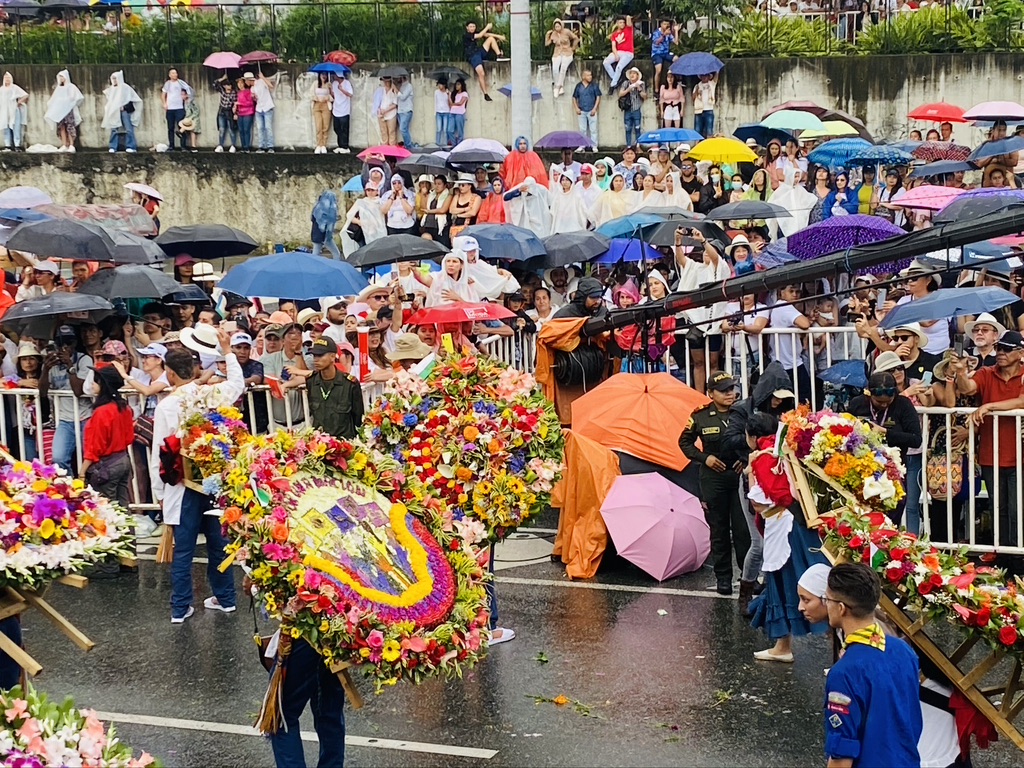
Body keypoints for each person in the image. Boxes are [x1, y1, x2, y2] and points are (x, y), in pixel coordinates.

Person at [151, 327, 242, 623]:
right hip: (212, 483)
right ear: (192, 370)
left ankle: (180, 608)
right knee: (218, 544)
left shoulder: (166, 405)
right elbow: (237, 384)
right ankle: (226, 599)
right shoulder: (210, 394)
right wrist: (228, 351)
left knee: (184, 550)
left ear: (170, 373)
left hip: (181, 485)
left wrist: (160, 494)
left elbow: (159, 454)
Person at [823, 563, 923, 768]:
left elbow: (842, 756)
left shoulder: (844, 672)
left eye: (827, 599)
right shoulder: (903, 651)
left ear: (841, 608)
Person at [679, 371, 750, 595]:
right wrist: (704, 458)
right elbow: (684, 443)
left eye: (732, 389)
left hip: (738, 475)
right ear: (710, 394)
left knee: (743, 530)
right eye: (724, 391)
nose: (730, 394)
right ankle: (723, 578)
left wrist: (745, 459)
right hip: (713, 477)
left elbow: (756, 439)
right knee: (719, 529)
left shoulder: (743, 413)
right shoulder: (700, 416)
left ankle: (747, 577)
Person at [955, 329, 1024, 547]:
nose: (1000, 352)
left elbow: (1022, 401)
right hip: (990, 454)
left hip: (1019, 455)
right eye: (999, 348)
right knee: (998, 509)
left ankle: (1019, 557)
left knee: (1017, 510)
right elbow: (968, 388)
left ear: (1020, 352)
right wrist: (959, 372)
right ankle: (1004, 556)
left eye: (1006, 349)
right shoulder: (987, 372)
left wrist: (989, 406)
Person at [845, 371, 922, 524]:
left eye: (888, 401)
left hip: (893, 474)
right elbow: (845, 431)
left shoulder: (903, 405)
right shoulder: (857, 404)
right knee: (861, 521)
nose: (884, 405)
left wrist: (885, 432)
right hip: (862, 471)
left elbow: (915, 439)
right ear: (869, 394)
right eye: (879, 402)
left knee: (890, 522)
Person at [39, 325, 94, 474]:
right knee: (58, 458)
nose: (64, 347)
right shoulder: (53, 363)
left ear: (75, 343)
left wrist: (70, 365)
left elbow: (79, 391)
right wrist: (45, 369)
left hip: (85, 416)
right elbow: (42, 392)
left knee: (90, 458)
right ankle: (70, 490)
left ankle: (91, 491)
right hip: (64, 420)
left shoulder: (84, 359)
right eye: (60, 343)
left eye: (68, 342)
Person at [80, 365, 134, 509]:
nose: (92, 384)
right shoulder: (125, 407)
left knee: (107, 509)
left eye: (96, 381)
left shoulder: (101, 412)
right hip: (123, 460)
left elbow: (94, 447)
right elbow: (129, 437)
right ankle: (128, 532)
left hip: (108, 465)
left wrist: (82, 472)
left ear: (103, 385)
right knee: (123, 506)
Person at [290, 337, 364, 439]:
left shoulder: (350, 383)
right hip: (319, 445)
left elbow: (358, 419)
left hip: (344, 444)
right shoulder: (311, 381)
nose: (316, 359)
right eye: (314, 355)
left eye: (320, 355)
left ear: (333, 356)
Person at [341, 182, 386, 256]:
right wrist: (360, 222)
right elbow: (350, 215)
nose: (370, 192)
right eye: (368, 190)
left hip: (379, 231)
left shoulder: (382, 202)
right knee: (365, 254)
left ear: (377, 190)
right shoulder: (361, 202)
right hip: (364, 233)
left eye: (372, 190)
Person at [101, 70, 141, 154]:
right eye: (113, 79)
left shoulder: (125, 88)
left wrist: (124, 106)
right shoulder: (111, 89)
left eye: (116, 78)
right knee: (114, 128)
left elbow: (133, 98)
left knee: (128, 129)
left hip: (124, 111)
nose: (114, 80)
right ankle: (113, 146)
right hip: (114, 111)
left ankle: (131, 146)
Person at [45, 69, 84, 152]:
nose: (61, 79)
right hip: (60, 111)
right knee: (62, 127)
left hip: (68, 110)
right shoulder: (58, 88)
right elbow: (53, 99)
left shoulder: (71, 87)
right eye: (60, 77)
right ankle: (64, 144)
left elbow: (76, 97)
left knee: (70, 126)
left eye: (62, 77)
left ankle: (71, 144)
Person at [464, 21, 503, 101]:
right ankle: (485, 93)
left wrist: (499, 36)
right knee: (481, 73)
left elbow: (486, 35)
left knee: (491, 39)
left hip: (478, 52)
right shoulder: (467, 35)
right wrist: (487, 27)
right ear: (467, 28)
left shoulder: (475, 33)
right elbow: (480, 35)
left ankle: (499, 55)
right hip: (473, 56)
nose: (472, 28)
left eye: (473, 26)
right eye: (470, 26)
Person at [548, 169, 590, 233]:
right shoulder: (558, 196)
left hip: (573, 226)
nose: (564, 182)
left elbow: (582, 212)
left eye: (567, 180)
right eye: (563, 180)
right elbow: (553, 212)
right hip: (559, 225)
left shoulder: (577, 196)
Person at [546, 19, 579, 97]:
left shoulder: (566, 32)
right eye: (556, 26)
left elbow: (576, 38)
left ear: (561, 26)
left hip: (567, 52)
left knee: (563, 67)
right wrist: (547, 35)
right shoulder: (553, 34)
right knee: (555, 68)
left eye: (558, 26)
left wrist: (573, 48)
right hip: (557, 53)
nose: (557, 28)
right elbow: (547, 44)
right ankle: (560, 86)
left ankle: (557, 86)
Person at [603, 15, 634, 93]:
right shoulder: (614, 34)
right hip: (619, 52)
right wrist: (616, 54)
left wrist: (624, 16)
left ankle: (613, 85)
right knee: (605, 62)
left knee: (619, 67)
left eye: (623, 22)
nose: (622, 24)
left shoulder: (628, 29)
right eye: (620, 22)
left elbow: (629, 18)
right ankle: (616, 78)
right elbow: (613, 46)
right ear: (617, 23)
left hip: (628, 53)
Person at [161, 68, 190, 151]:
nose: (175, 75)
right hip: (170, 108)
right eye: (173, 73)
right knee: (170, 127)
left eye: (176, 73)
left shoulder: (181, 83)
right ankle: (171, 146)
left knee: (182, 126)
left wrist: (186, 97)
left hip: (179, 108)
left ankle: (183, 146)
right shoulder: (167, 84)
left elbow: (189, 92)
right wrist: (164, 103)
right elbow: (163, 94)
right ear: (169, 75)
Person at [0, 72, 28, 151]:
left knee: (16, 126)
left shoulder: (14, 87)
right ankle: (7, 145)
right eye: (5, 78)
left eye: (8, 78)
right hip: (4, 110)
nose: (7, 79)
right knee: (6, 127)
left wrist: (19, 102)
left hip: (14, 109)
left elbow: (25, 95)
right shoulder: (2, 89)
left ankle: (17, 144)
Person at [619, 67, 646, 147]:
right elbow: (620, 94)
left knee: (637, 128)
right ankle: (628, 146)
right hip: (627, 109)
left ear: (637, 75)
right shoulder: (626, 83)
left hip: (636, 109)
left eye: (634, 73)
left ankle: (638, 146)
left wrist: (639, 88)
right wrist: (628, 89)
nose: (632, 75)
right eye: (631, 73)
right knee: (628, 129)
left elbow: (644, 96)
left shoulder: (641, 83)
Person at [311, 190, 340, 260]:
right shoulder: (331, 210)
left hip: (316, 235)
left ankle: (311, 268)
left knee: (315, 254)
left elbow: (312, 219)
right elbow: (329, 224)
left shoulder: (317, 208)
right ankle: (337, 267)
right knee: (336, 253)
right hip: (325, 236)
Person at [250, 71, 276, 152]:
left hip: (267, 107)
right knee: (260, 128)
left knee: (268, 127)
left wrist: (263, 77)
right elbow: (255, 100)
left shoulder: (261, 82)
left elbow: (271, 86)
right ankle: (261, 146)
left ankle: (270, 146)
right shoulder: (252, 88)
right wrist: (254, 98)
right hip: (259, 109)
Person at [214, 74, 238, 153]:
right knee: (222, 129)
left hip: (229, 112)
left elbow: (234, 103)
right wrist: (222, 78)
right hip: (222, 112)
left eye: (230, 85)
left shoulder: (234, 93)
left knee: (231, 129)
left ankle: (233, 145)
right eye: (227, 85)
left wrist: (235, 113)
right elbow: (215, 84)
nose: (229, 86)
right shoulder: (222, 91)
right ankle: (220, 145)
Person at [651, 19, 676, 92]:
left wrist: (676, 31)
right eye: (665, 24)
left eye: (667, 24)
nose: (666, 26)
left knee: (677, 59)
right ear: (661, 24)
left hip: (666, 53)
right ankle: (656, 89)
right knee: (658, 70)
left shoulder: (669, 33)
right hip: (656, 53)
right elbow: (657, 42)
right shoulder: (656, 32)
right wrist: (664, 35)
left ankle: (678, 79)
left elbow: (676, 42)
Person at [311, 72, 333, 154]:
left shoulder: (328, 84)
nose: (323, 76)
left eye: (325, 75)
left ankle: (324, 144)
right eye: (322, 75)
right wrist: (316, 98)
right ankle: (318, 144)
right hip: (317, 105)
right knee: (318, 126)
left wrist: (328, 94)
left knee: (326, 126)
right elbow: (311, 94)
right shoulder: (315, 84)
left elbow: (332, 97)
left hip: (326, 105)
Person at [331, 73, 352, 153]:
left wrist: (342, 89)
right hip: (336, 109)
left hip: (344, 110)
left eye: (335, 75)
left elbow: (350, 94)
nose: (333, 76)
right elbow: (334, 95)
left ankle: (345, 146)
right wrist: (330, 90)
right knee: (336, 128)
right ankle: (340, 145)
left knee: (344, 129)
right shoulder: (334, 83)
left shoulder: (347, 83)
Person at [693, 73, 717, 138]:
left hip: (709, 109)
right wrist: (697, 91)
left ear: (709, 76)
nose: (704, 77)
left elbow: (716, 77)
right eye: (702, 75)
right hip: (699, 110)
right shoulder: (697, 85)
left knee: (709, 131)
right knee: (697, 131)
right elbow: (693, 98)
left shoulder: (712, 84)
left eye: (706, 75)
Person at [236, 74, 256, 153]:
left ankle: (247, 147)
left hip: (248, 113)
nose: (240, 85)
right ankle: (243, 146)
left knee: (246, 129)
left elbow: (250, 103)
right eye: (238, 83)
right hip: (240, 113)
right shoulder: (239, 93)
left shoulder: (248, 91)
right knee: (241, 130)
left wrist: (240, 103)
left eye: (241, 83)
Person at [396, 75, 415, 148]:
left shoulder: (409, 86)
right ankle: (408, 145)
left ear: (402, 77)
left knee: (403, 129)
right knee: (404, 130)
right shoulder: (401, 86)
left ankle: (409, 145)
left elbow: (403, 97)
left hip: (406, 111)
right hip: (400, 111)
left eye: (398, 77)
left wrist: (397, 90)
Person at [448, 78, 469, 145]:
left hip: (460, 113)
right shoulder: (454, 94)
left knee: (460, 131)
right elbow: (450, 103)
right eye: (456, 84)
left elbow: (460, 103)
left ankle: (459, 145)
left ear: (462, 85)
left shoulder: (464, 93)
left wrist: (453, 104)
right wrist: (449, 96)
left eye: (458, 84)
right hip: (452, 113)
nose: (457, 86)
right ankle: (454, 144)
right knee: (450, 130)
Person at [434, 79, 451, 147]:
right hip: (438, 112)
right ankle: (437, 143)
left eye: (440, 84)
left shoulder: (447, 92)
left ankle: (445, 143)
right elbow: (435, 102)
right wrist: (435, 112)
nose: (439, 86)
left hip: (446, 112)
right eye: (438, 84)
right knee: (438, 129)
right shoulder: (436, 92)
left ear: (444, 85)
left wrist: (448, 94)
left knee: (445, 129)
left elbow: (450, 103)